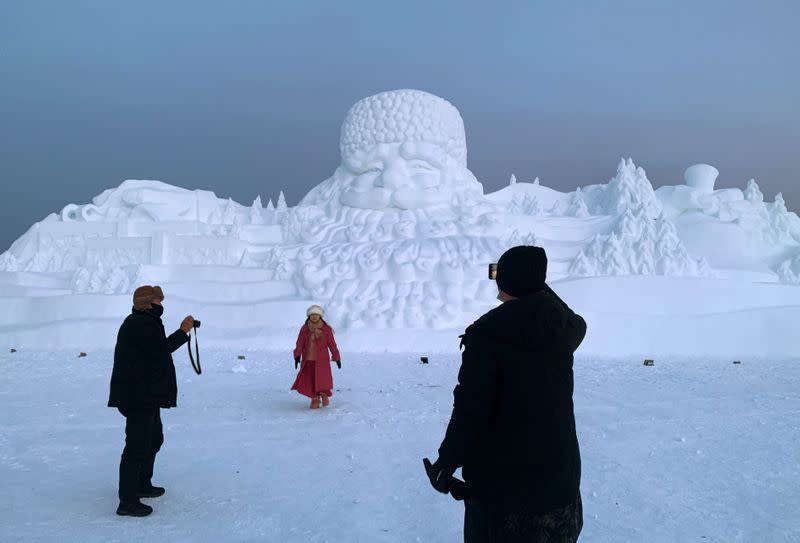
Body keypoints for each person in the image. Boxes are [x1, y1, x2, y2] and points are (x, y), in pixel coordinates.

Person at [424, 246, 587, 542]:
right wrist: (536, 286)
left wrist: (446, 462)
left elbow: (470, 410)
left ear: (506, 280)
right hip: (559, 487)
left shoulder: (487, 335)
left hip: (503, 498)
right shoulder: (563, 328)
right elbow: (577, 320)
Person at [108, 285, 194, 517]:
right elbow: (161, 350)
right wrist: (183, 331)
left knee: (153, 439)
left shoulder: (143, 321)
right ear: (149, 303)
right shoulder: (141, 324)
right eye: (158, 300)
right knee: (136, 446)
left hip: (145, 394)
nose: (161, 304)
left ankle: (141, 484)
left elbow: (155, 352)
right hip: (138, 395)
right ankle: (127, 501)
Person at [291, 305, 341, 409]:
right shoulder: (304, 329)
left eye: (316, 315)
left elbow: (332, 344)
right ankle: (314, 398)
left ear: (320, 316)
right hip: (308, 359)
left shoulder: (326, 329)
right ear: (309, 316)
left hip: (322, 360)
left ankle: (324, 394)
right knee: (310, 379)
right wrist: (297, 355)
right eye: (312, 315)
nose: (314, 317)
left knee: (323, 379)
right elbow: (299, 343)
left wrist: (336, 356)